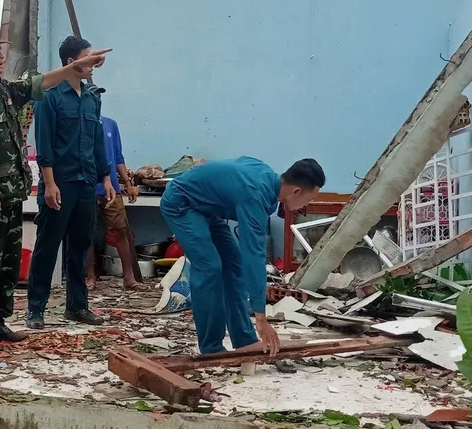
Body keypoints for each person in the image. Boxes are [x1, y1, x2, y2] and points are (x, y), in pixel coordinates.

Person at [0, 25, 109, 355]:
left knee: (6, 262)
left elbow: (41, 81)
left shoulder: (5, 90)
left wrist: (76, 66)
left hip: (10, 192)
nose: (2, 56)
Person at [159, 157, 326, 356]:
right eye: (310, 198)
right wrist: (261, 318)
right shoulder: (255, 195)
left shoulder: (267, 178)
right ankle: (211, 347)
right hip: (182, 204)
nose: (308, 204)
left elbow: (240, 163)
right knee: (209, 267)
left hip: (206, 209)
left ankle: (244, 339)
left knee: (234, 264)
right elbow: (254, 256)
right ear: (296, 191)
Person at [25, 36, 114, 329]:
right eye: (87, 58)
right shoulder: (50, 96)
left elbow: (97, 141)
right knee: (48, 245)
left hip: (86, 181)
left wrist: (106, 177)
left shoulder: (92, 97)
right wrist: (49, 184)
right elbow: (45, 144)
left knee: (80, 245)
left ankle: (77, 306)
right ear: (71, 62)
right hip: (60, 183)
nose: (93, 64)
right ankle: (36, 309)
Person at [86, 115, 142, 291]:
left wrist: (128, 183)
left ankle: (129, 277)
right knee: (86, 233)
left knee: (121, 230)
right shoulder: (79, 122)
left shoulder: (110, 124)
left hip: (111, 188)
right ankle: (90, 277)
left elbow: (118, 156)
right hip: (86, 187)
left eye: (98, 97)